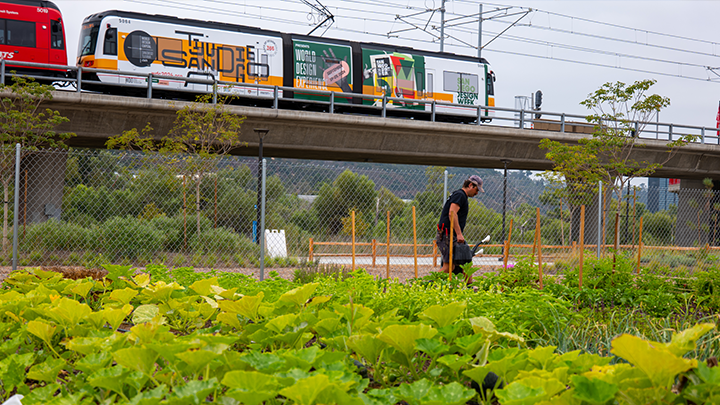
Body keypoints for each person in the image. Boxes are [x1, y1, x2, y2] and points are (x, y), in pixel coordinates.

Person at [436, 175, 484, 279]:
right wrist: (459, 234)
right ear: (470, 185)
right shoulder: (460, 195)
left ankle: (470, 286)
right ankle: (427, 284)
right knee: (448, 267)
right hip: (448, 234)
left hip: (451, 234)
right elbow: (452, 213)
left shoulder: (460, 195)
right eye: (476, 190)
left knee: (465, 260)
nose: (477, 193)